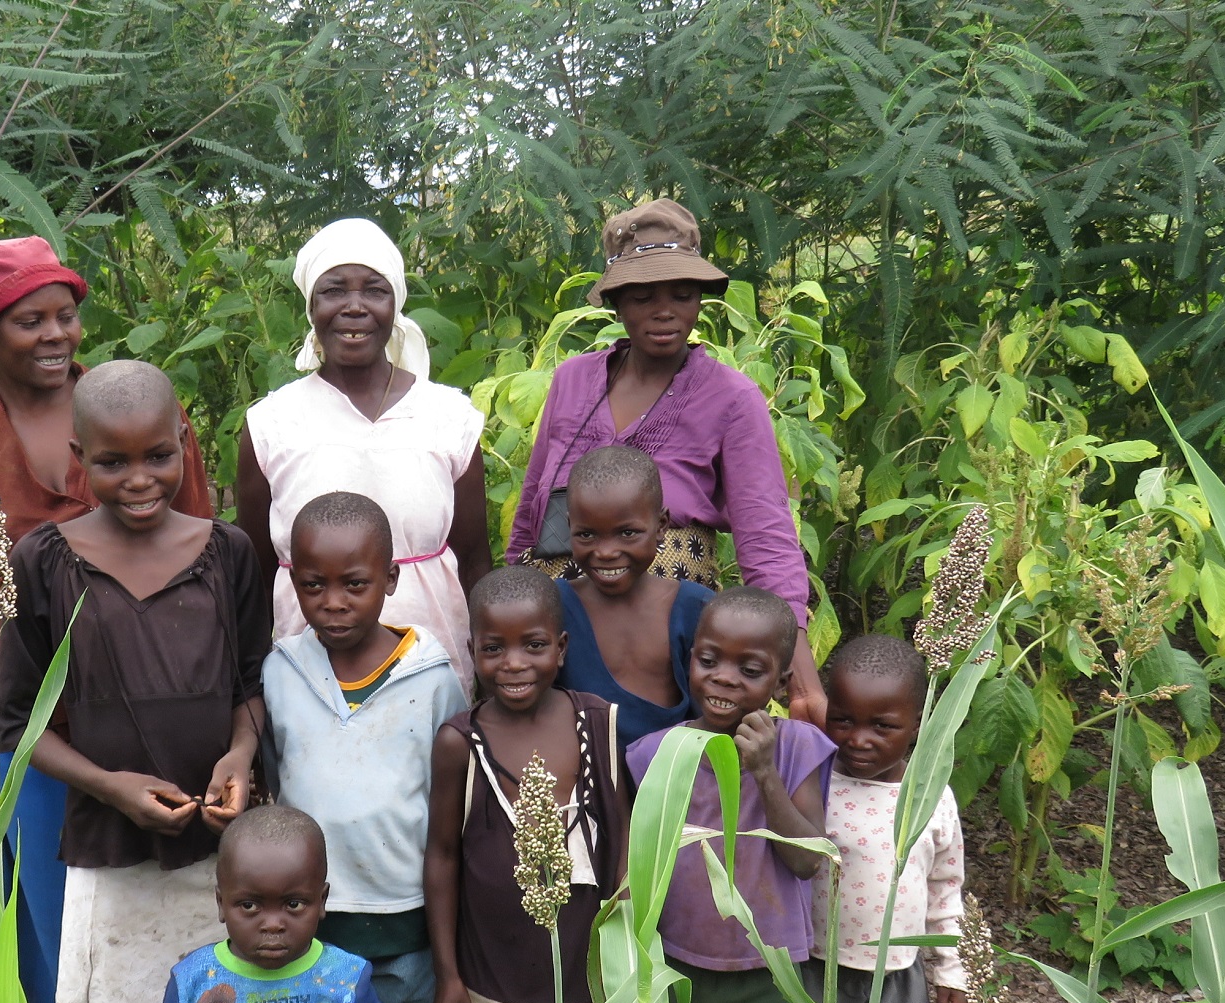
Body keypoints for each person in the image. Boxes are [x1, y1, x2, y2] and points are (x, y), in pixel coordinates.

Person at [0, 236, 211, 1003]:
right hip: (15, 738)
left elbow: (205, 566)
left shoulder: (133, 411)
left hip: (143, 719)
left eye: (65, 315)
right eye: (27, 321)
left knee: (156, 919)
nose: (54, 336)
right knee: (53, 934)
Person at [0, 361, 269, 1003]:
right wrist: (110, 786)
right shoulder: (44, 563)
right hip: (112, 846)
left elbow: (252, 685)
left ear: (185, 444)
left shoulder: (227, 553)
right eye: (112, 462)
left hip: (220, 846)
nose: (139, 478)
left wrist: (241, 758)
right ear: (79, 461)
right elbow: (19, 724)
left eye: (157, 456)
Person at [505, 199, 826, 725]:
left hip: (666, 635)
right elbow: (533, 511)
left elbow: (766, 536)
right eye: (642, 296)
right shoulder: (573, 382)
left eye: (682, 294)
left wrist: (798, 666)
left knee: (663, 770)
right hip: (563, 628)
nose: (664, 311)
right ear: (615, 300)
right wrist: (511, 612)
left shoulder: (730, 398)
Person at [262, 491, 468, 1003]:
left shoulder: (432, 679)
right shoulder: (283, 670)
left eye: (354, 583)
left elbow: (450, 811)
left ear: (391, 578)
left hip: (403, 916)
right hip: (309, 918)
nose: (332, 603)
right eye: (312, 585)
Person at [236, 217, 492, 695]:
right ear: (311, 305)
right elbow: (255, 570)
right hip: (309, 679)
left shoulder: (449, 419)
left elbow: (475, 560)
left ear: (395, 304)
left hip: (434, 670)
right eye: (334, 291)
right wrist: (248, 687)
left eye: (374, 291)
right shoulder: (271, 425)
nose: (354, 307)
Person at [624, 587, 836, 1003]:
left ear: (782, 683)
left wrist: (764, 772)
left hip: (767, 985)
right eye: (709, 660)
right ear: (689, 659)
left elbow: (808, 860)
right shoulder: (656, 755)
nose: (723, 678)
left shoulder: (796, 747)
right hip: (674, 979)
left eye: (750, 669)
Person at [425, 567, 627, 1003]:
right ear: (472, 651)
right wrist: (448, 975)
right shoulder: (460, 744)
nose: (514, 664)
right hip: (494, 1000)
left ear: (561, 649)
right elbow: (442, 858)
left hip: (592, 999)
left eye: (533, 645)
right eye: (494, 648)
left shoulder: (599, 724)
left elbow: (625, 837)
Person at [147, 805, 402, 1003]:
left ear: (321, 901)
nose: (272, 924)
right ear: (221, 903)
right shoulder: (193, 979)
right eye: (249, 905)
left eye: (293, 904)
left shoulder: (345, 979)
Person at [807, 634, 966, 1003]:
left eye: (883, 726)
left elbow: (944, 887)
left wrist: (949, 970)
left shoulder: (931, 795)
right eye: (843, 719)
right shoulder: (811, 782)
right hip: (816, 977)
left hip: (900, 982)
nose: (858, 738)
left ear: (917, 724)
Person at [553, 445, 715, 751]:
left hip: (675, 790)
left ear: (661, 526)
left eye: (627, 533)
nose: (606, 552)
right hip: (583, 791)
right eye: (587, 535)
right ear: (569, 526)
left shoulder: (696, 609)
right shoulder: (552, 607)